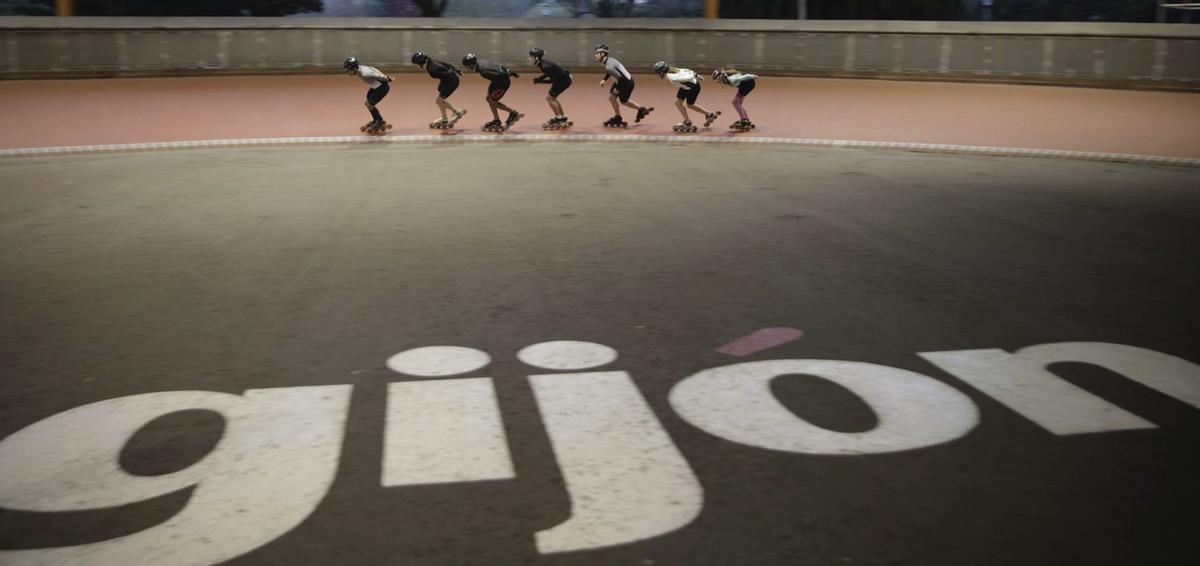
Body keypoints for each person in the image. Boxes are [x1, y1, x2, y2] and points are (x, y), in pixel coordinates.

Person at [593, 43, 652, 128]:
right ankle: (618, 116)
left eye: (597, 53)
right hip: (622, 80)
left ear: (603, 54)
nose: (595, 55)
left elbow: (620, 78)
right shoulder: (609, 60)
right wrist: (604, 79)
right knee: (611, 98)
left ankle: (640, 109)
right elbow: (612, 72)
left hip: (625, 83)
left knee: (623, 101)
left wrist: (617, 89)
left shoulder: (608, 66)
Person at [462, 53, 524, 132]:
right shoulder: (481, 62)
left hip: (502, 83)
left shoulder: (483, 71)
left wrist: (508, 73)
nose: (466, 68)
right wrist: (509, 71)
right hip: (496, 81)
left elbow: (500, 74)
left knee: (492, 101)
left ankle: (513, 113)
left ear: (471, 65)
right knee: (489, 99)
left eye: (466, 66)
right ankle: (496, 120)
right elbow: (497, 66)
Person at [652, 61, 720, 133]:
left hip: (691, 88)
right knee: (679, 103)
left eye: (657, 72)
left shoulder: (672, 77)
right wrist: (697, 76)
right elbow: (687, 70)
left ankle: (688, 122)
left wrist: (694, 76)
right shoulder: (673, 69)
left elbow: (687, 77)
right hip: (688, 87)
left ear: (661, 72)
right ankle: (709, 114)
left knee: (688, 105)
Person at [411, 52, 467, 129]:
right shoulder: (430, 60)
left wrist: (454, 71)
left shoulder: (432, 70)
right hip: (447, 80)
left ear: (421, 63)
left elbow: (448, 73)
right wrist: (456, 70)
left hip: (452, 81)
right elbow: (445, 64)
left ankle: (457, 112)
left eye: (417, 63)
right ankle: (444, 118)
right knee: (440, 96)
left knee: (439, 101)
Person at [344, 57, 393, 134]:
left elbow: (379, 76)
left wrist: (387, 78)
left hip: (382, 88)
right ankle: (376, 119)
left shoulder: (365, 74)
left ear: (354, 68)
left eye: (349, 70)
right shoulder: (361, 68)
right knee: (367, 103)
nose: (348, 72)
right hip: (376, 86)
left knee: (370, 104)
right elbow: (374, 69)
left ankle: (379, 121)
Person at [529, 47, 573, 130]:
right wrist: (540, 78)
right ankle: (563, 117)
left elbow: (554, 81)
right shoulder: (542, 63)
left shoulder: (544, 66)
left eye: (531, 56)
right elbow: (549, 73)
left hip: (564, 80)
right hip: (565, 77)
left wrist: (541, 82)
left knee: (550, 98)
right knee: (553, 98)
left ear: (536, 58)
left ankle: (558, 119)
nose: (529, 58)